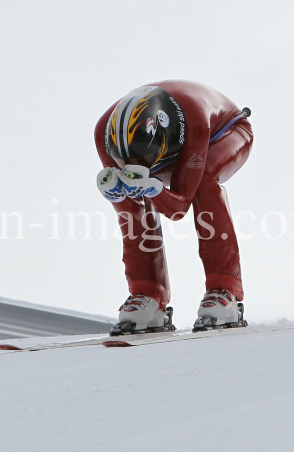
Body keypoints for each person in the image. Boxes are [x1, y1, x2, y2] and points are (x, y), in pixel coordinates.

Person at [94, 80, 253, 335]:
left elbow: (179, 208)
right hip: (173, 146)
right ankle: (148, 296)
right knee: (132, 202)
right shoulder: (103, 131)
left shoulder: (195, 119)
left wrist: (155, 189)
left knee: (204, 182)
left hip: (223, 132)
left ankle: (226, 291)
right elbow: (130, 202)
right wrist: (116, 193)